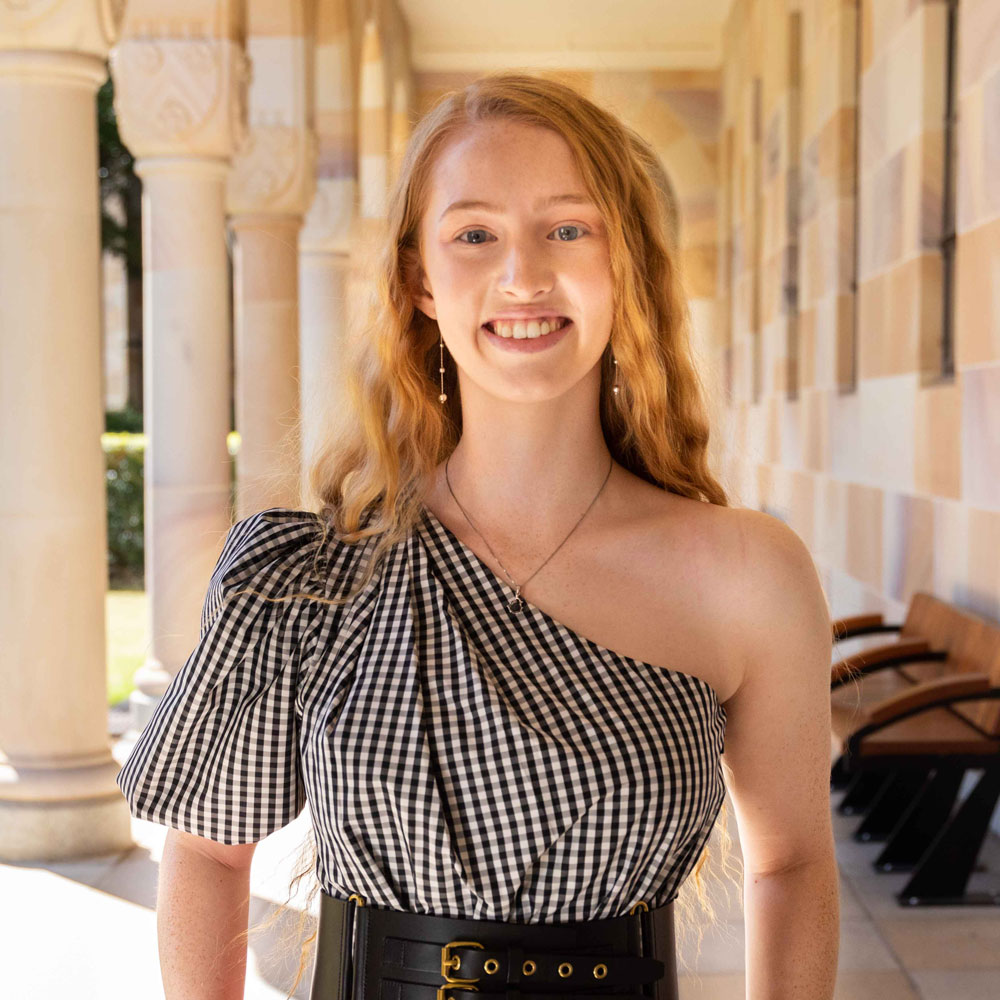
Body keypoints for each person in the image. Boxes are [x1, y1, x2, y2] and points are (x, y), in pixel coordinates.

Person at [115, 72, 839, 1000]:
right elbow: (209, 855)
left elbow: (794, 867)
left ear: (625, 264)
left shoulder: (750, 575)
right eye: (474, 234)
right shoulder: (304, 574)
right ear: (419, 278)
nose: (523, 275)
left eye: (567, 228)